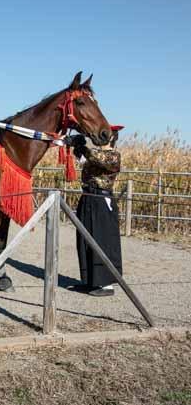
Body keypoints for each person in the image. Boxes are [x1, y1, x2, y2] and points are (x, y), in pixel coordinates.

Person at [68, 125, 124, 297]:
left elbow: (95, 157)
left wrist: (83, 147)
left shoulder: (113, 155)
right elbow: (84, 159)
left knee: (103, 239)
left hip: (101, 199)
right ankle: (90, 280)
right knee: (86, 239)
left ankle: (106, 284)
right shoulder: (94, 154)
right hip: (88, 197)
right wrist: (76, 146)